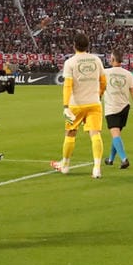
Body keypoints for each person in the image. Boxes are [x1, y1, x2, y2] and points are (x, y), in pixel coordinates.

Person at [54, 33, 108, 177]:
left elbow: (68, 85)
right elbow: (103, 81)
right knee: (95, 134)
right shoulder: (96, 60)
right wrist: (100, 94)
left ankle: (65, 165)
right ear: (88, 45)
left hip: (75, 106)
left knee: (70, 133)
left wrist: (65, 106)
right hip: (94, 104)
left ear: (74, 45)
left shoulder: (70, 62)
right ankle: (96, 168)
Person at [103, 52, 133, 171]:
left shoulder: (105, 72)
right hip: (125, 108)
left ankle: (124, 159)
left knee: (115, 134)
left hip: (112, 107)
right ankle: (111, 159)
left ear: (112, 59)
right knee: (116, 134)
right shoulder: (128, 74)